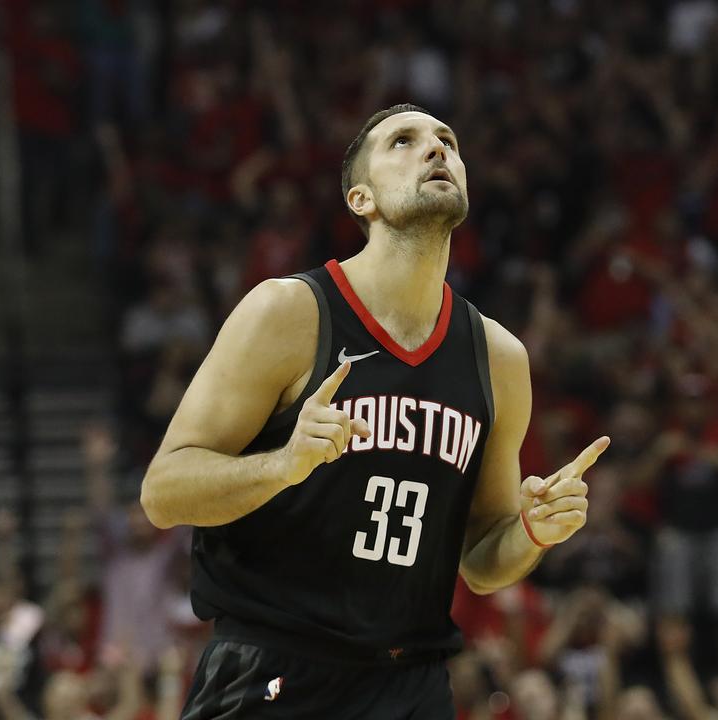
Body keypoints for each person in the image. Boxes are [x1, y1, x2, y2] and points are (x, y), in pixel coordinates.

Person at [140, 104, 611, 718]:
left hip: (408, 683)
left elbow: (481, 559)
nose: (437, 149)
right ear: (361, 200)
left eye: (448, 140)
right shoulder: (288, 312)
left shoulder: (498, 357)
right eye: (404, 141)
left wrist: (531, 533)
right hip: (274, 670)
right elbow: (163, 492)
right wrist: (282, 465)